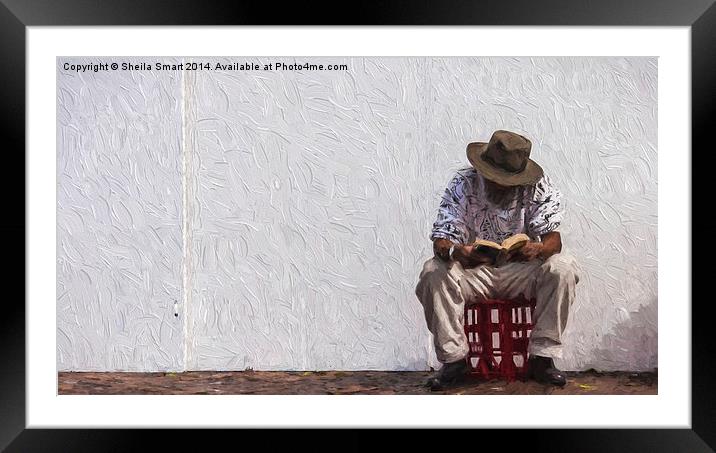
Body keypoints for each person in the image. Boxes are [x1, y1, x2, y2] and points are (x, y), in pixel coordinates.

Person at [415, 130, 580, 391]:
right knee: (433, 270)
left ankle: (542, 358)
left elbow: (554, 242)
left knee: (563, 267)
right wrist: (457, 251)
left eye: (507, 181)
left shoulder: (538, 185)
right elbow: (440, 242)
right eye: (494, 179)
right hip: (474, 274)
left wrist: (537, 249)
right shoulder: (463, 183)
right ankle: (454, 360)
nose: (500, 185)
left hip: (520, 273)